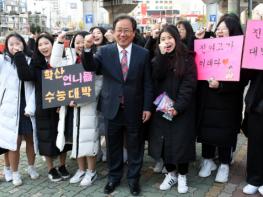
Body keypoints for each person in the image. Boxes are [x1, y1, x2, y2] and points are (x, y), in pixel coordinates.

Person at [82, 15, 153, 196]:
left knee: (135, 146)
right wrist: (88, 49)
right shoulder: (104, 52)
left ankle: (133, 180)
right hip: (111, 107)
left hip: (135, 108)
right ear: (113, 33)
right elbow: (91, 67)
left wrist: (147, 107)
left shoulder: (143, 53)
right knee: (113, 146)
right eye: (119, 30)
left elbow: (147, 84)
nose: (122, 34)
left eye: (126, 30)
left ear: (134, 32)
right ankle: (113, 178)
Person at [197, 14, 246, 183]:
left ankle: (224, 163)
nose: (219, 31)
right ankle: (208, 160)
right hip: (208, 99)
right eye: (218, 28)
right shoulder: (208, 46)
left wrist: (222, 86)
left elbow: (244, 79)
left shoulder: (240, 50)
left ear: (233, 31)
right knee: (207, 130)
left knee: (225, 133)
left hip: (228, 101)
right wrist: (198, 40)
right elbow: (194, 63)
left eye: (224, 29)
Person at [15, 33, 71, 182]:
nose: (43, 47)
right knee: (46, 137)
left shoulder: (63, 60)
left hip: (61, 105)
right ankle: (51, 168)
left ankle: (63, 165)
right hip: (43, 106)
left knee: (62, 135)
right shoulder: (36, 62)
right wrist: (19, 55)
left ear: (53, 44)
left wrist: (63, 102)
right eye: (40, 45)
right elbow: (25, 76)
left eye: (46, 43)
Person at [148, 25, 197, 193]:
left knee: (181, 143)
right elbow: (157, 77)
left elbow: (189, 85)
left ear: (176, 39)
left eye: (169, 38)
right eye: (162, 39)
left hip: (182, 110)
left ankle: (182, 175)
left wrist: (178, 107)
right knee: (164, 143)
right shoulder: (156, 59)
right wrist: (161, 56)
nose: (166, 42)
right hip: (162, 108)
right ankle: (171, 173)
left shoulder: (187, 58)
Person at [51, 31, 102, 187]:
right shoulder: (68, 60)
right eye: (77, 42)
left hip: (88, 106)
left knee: (89, 139)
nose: (80, 45)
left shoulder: (95, 59)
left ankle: (91, 171)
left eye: (83, 41)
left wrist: (79, 101)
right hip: (71, 108)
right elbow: (54, 64)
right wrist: (59, 43)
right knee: (76, 139)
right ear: (72, 44)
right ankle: (81, 169)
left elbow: (98, 85)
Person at [0, 33, 39, 186]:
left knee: (30, 138)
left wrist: (20, 56)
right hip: (9, 107)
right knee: (12, 142)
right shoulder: (3, 61)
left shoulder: (31, 60)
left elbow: (30, 79)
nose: (15, 46)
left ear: (23, 43)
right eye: (11, 44)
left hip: (27, 104)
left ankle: (31, 167)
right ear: (6, 46)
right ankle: (14, 172)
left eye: (18, 43)